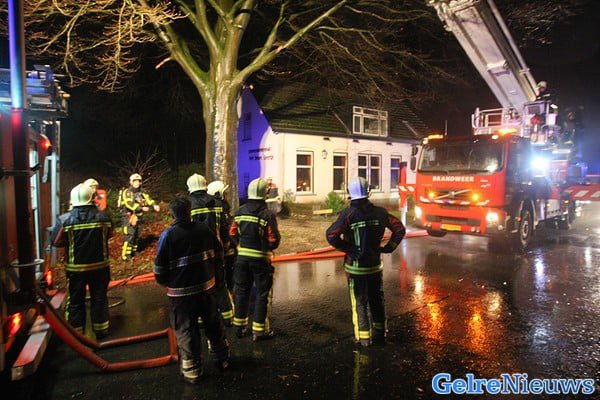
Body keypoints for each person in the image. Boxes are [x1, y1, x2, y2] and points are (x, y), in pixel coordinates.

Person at [154, 197, 230, 384]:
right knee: (213, 323)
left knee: (186, 331)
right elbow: (218, 253)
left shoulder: (168, 236)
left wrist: (167, 282)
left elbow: (160, 270)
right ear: (189, 211)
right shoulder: (204, 230)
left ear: (172, 214)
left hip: (181, 296)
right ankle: (222, 357)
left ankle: (192, 371)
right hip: (206, 289)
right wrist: (213, 276)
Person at [326, 177, 405, 347]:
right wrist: (388, 247)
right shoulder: (381, 213)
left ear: (350, 193)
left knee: (360, 302)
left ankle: (364, 339)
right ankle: (381, 333)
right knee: (377, 299)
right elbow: (399, 229)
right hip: (375, 266)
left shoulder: (348, 214)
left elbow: (331, 235)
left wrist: (349, 249)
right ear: (368, 192)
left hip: (356, 268)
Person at [51, 184, 113, 338]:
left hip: (76, 269)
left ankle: (77, 333)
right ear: (92, 198)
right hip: (100, 267)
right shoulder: (104, 217)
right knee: (99, 298)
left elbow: (56, 242)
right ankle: (101, 331)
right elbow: (108, 234)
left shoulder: (64, 220)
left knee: (76, 301)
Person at [229, 178, 281, 341]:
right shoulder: (267, 215)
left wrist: (240, 245)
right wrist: (267, 247)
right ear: (264, 194)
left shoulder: (239, 212)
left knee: (241, 292)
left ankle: (239, 328)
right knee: (262, 293)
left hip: (242, 260)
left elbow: (232, 233)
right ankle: (259, 331)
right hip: (260, 261)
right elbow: (274, 240)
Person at [187, 174, 234, 326]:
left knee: (200, 287)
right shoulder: (217, 203)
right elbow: (224, 228)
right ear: (205, 185)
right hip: (217, 251)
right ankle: (228, 317)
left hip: (197, 254)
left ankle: (202, 319)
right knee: (220, 284)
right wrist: (226, 245)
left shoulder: (188, 205)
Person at [119, 173, 160, 261]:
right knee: (130, 235)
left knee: (137, 235)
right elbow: (129, 204)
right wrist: (141, 208)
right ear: (131, 182)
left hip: (138, 217)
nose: (137, 183)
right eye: (135, 181)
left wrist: (154, 205)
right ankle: (126, 255)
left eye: (139, 181)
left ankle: (134, 252)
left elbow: (148, 199)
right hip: (128, 217)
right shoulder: (127, 192)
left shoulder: (141, 192)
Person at [207, 180, 235, 292]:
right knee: (226, 273)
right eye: (224, 193)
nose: (226, 195)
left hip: (223, 247)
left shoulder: (222, 207)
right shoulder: (220, 208)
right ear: (218, 193)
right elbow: (224, 227)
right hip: (223, 248)